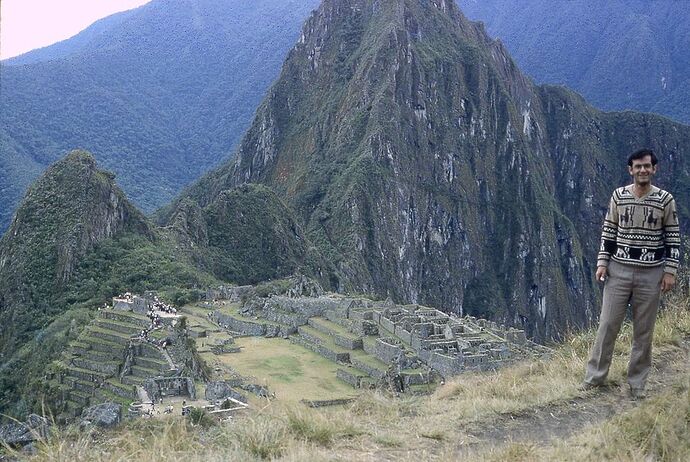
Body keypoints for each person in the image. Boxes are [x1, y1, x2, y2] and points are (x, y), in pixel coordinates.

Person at [582, 148, 681, 399]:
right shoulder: (619, 196)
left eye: (647, 166)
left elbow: (672, 237)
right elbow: (609, 231)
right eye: (638, 167)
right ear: (630, 170)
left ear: (654, 169)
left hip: (651, 272)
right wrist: (602, 263)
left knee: (643, 330)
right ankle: (595, 378)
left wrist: (670, 270)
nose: (642, 170)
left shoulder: (665, 200)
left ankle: (637, 384)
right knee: (607, 324)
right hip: (619, 269)